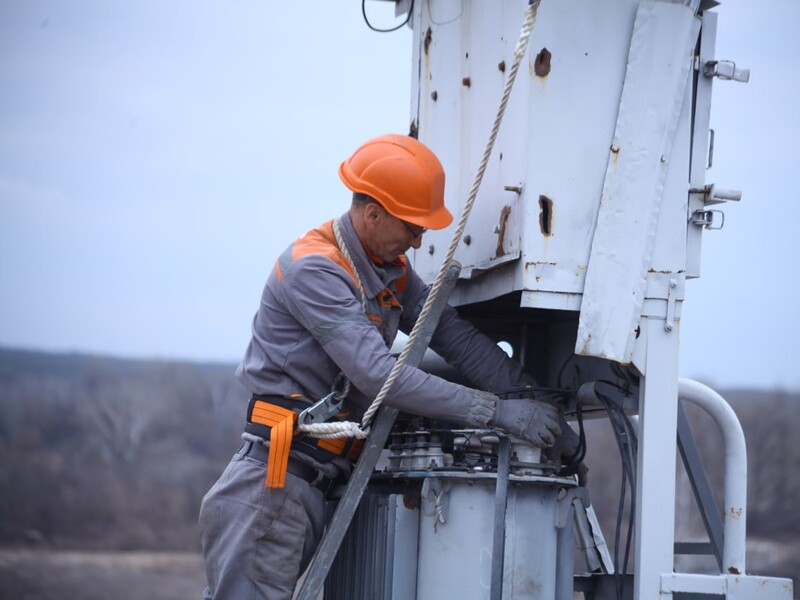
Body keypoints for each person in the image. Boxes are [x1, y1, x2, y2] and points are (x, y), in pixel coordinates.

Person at [199, 133, 578, 599]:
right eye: (413, 227)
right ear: (372, 213)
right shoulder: (315, 269)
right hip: (273, 488)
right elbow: (380, 377)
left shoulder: (387, 267)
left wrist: (528, 398)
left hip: (305, 489)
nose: (419, 241)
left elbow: (451, 333)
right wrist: (496, 412)